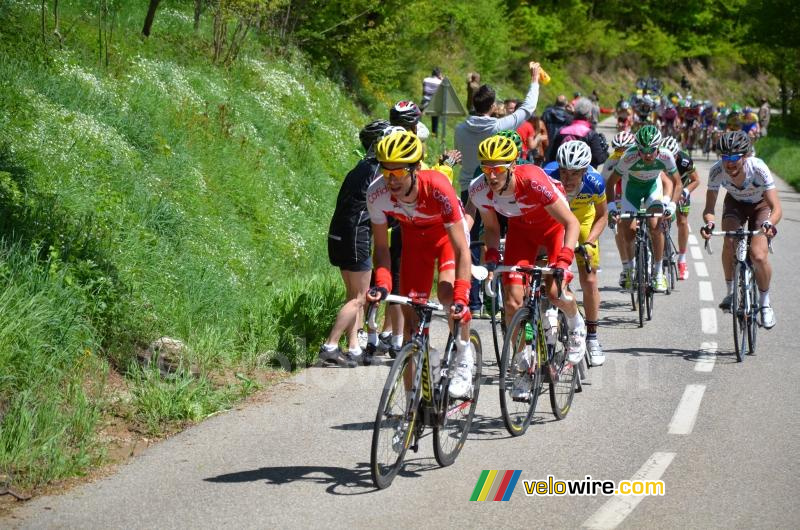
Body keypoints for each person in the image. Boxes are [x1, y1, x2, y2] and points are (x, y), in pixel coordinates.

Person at [466, 135, 586, 387]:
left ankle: (576, 324)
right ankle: (524, 365)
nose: (492, 176)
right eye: (487, 168)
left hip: (552, 229)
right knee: (511, 302)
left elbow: (571, 222)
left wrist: (564, 259)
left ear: (512, 166)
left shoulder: (532, 179)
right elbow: (491, 228)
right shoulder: (480, 189)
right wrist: (491, 260)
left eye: (498, 169)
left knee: (554, 291)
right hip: (521, 234)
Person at [366, 130, 476, 397]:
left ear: (415, 168)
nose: (391, 180)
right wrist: (381, 284)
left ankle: (463, 356)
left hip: (448, 238)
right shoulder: (376, 193)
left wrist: (462, 295)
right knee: (411, 326)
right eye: (386, 171)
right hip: (415, 243)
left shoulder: (437, 187)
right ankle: (411, 409)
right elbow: (381, 249)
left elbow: (462, 249)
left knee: (448, 294)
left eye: (399, 172)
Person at [454, 60, 544, 315]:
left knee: (471, 243)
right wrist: (534, 80)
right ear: (493, 107)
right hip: (496, 185)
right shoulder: (496, 126)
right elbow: (528, 109)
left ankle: (472, 299)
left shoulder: (460, 128)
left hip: (468, 187)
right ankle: (496, 297)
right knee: (499, 238)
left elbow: (460, 154)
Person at [320, 120, 394, 367]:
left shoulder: (361, 166)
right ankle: (330, 345)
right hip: (357, 235)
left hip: (339, 233)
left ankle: (353, 348)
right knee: (360, 298)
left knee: (352, 294)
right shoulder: (379, 172)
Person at [700, 131, 781, 329]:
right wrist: (709, 224)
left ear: (744, 156)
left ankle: (764, 304)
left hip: (760, 206)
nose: (729, 163)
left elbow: (776, 207)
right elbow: (709, 209)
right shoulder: (717, 171)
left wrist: (770, 223)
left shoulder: (758, 168)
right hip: (735, 204)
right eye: (725, 157)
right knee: (728, 242)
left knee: (758, 256)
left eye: (734, 158)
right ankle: (730, 292)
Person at [543, 141, 608, 366]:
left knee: (589, 280)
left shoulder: (594, 182)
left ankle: (592, 337)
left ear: (585, 171)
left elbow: (602, 216)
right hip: (555, 223)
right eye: (564, 172)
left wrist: (590, 242)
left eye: (574, 173)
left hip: (583, 223)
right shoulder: (547, 175)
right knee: (551, 274)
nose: (567, 179)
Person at [607, 125, 681, 293]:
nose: (647, 155)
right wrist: (611, 208)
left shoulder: (666, 155)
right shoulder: (628, 156)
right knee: (629, 231)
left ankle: (658, 272)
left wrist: (671, 205)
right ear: (637, 148)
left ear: (658, 147)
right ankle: (632, 269)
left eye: (651, 150)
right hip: (630, 192)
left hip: (652, 190)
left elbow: (677, 182)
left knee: (656, 227)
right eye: (643, 150)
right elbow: (610, 183)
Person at [659, 136, 700, 280]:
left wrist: (685, 192)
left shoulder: (685, 161)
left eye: (673, 156)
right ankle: (660, 254)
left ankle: (682, 259)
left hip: (681, 189)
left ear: (677, 154)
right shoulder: (657, 158)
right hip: (664, 189)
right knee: (659, 220)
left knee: (682, 221)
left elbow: (696, 180)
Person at [602, 131, 637, 288]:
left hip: (638, 193)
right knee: (619, 229)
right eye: (618, 150)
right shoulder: (612, 161)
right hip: (620, 195)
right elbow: (602, 184)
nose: (621, 153)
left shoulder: (638, 157)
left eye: (625, 149)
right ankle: (626, 267)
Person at [546, 97, 609, 168]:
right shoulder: (592, 134)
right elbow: (598, 159)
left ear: (575, 113)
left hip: (563, 173)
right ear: (590, 115)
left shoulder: (561, 131)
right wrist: (605, 152)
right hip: (583, 175)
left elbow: (552, 157)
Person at [420, 67, 443, 136]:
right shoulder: (440, 82)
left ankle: (417, 129)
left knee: (418, 114)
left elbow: (423, 92)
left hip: (425, 101)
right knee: (435, 119)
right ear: (439, 74)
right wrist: (442, 79)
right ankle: (434, 134)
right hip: (434, 103)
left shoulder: (425, 80)